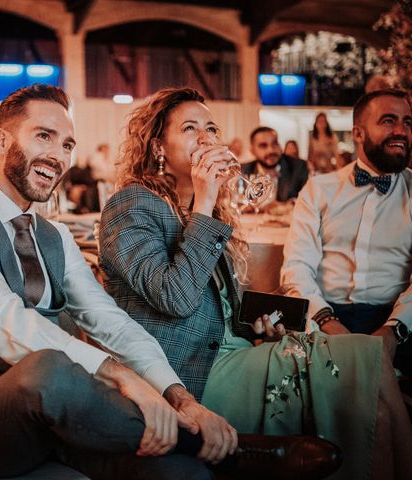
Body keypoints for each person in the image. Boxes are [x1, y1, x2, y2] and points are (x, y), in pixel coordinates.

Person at [0, 85, 333, 480]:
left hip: (73, 418)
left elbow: (110, 320)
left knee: (185, 474)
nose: (57, 155)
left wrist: (179, 397)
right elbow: (6, 324)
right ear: (1, 141)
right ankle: (234, 450)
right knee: (48, 368)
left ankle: (207, 452)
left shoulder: (53, 236)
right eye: (43, 136)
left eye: (67, 144)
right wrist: (124, 378)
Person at [98, 86, 412, 480]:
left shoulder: (201, 209)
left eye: (211, 129)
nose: (207, 139)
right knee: (365, 375)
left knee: (372, 378)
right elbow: (174, 297)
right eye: (191, 128)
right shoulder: (131, 204)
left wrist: (255, 325)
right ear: (158, 146)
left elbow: (217, 307)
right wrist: (206, 201)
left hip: (231, 350)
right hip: (187, 372)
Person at [281, 88, 412, 379]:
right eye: (389, 121)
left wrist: (394, 330)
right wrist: (328, 322)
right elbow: (297, 267)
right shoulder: (319, 189)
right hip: (324, 316)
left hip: (397, 320)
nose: (401, 131)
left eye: (408, 122)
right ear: (358, 133)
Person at [241, 127, 308, 202]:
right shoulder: (243, 170)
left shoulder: (298, 167)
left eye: (275, 143)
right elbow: (236, 199)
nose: (271, 150)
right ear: (252, 150)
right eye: (263, 145)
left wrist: (286, 205)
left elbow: (307, 201)